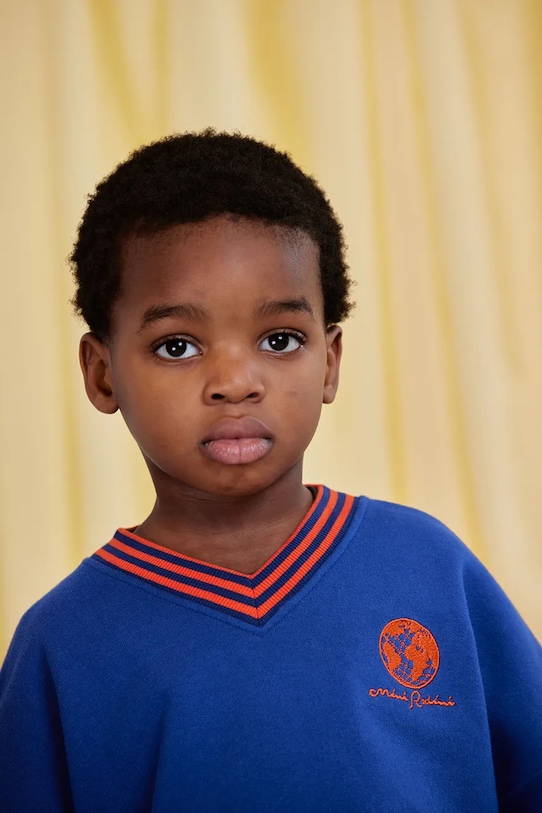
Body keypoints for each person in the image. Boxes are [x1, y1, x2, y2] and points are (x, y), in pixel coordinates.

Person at [0, 131, 540, 813]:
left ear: (330, 362)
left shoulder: (429, 566)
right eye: (177, 345)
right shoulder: (62, 645)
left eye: (279, 339)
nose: (235, 382)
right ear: (102, 373)